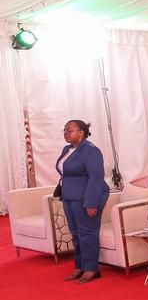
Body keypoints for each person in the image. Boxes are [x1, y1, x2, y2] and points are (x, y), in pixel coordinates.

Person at [56, 120, 110, 284]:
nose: (66, 133)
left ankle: (91, 269)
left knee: (87, 233)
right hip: (69, 196)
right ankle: (79, 266)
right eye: (64, 130)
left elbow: (96, 178)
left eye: (69, 130)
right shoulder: (67, 149)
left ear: (81, 132)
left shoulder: (91, 151)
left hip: (86, 198)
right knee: (75, 233)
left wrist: (91, 203)